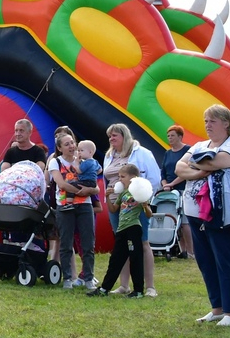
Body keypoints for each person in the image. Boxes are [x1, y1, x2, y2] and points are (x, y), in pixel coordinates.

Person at [175, 104, 230, 326]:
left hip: (223, 213)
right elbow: (179, 167)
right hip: (196, 212)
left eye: (213, 121)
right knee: (206, 261)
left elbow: (218, 162)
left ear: (226, 123)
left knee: (224, 260)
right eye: (206, 121)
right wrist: (200, 171)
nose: (208, 125)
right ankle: (217, 308)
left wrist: (195, 163)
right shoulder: (200, 145)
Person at [102, 124, 163, 297]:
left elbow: (154, 178)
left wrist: (142, 198)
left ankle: (150, 286)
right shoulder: (109, 155)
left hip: (135, 206)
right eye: (109, 136)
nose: (111, 139)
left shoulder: (141, 153)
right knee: (121, 245)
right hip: (116, 205)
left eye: (114, 136)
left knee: (142, 243)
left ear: (124, 136)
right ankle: (123, 284)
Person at [88, 165, 153, 297]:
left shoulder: (140, 193)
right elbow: (113, 210)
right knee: (115, 259)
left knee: (135, 258)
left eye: (122, 177)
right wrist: (107, 197)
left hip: (133, 228)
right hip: (121, 229)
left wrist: (146, 206)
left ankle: (138, 290)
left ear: (133, 178)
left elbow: (149, 214)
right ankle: (104, 289)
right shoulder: (123, 194)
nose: (120, 179)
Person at [50, 133, 100, 289]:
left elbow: (96, 187)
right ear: (59, 148)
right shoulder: (55, 162)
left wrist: (90, 191)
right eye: (66, 144)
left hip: (85, 206)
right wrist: (82, 192)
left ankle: (88, 278)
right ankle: (68, 278)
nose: (71, 146)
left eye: (72, 142)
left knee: (88, 243)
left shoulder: (85, 161)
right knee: (65, 242)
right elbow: (61, 184)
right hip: (65, 206)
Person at [160, 124, 193, 259]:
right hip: (170, 192)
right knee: (174, 221)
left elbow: (187, 171)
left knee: (185, 222)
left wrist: (172, 184)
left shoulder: (188, 151)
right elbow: (163, 173)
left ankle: (191, 252)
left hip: (183, 189)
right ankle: (182, 250)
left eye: (172, 136)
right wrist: (165, 185)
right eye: (168, 136)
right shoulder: (167, 153)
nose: (170, 138)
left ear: (180, 137)